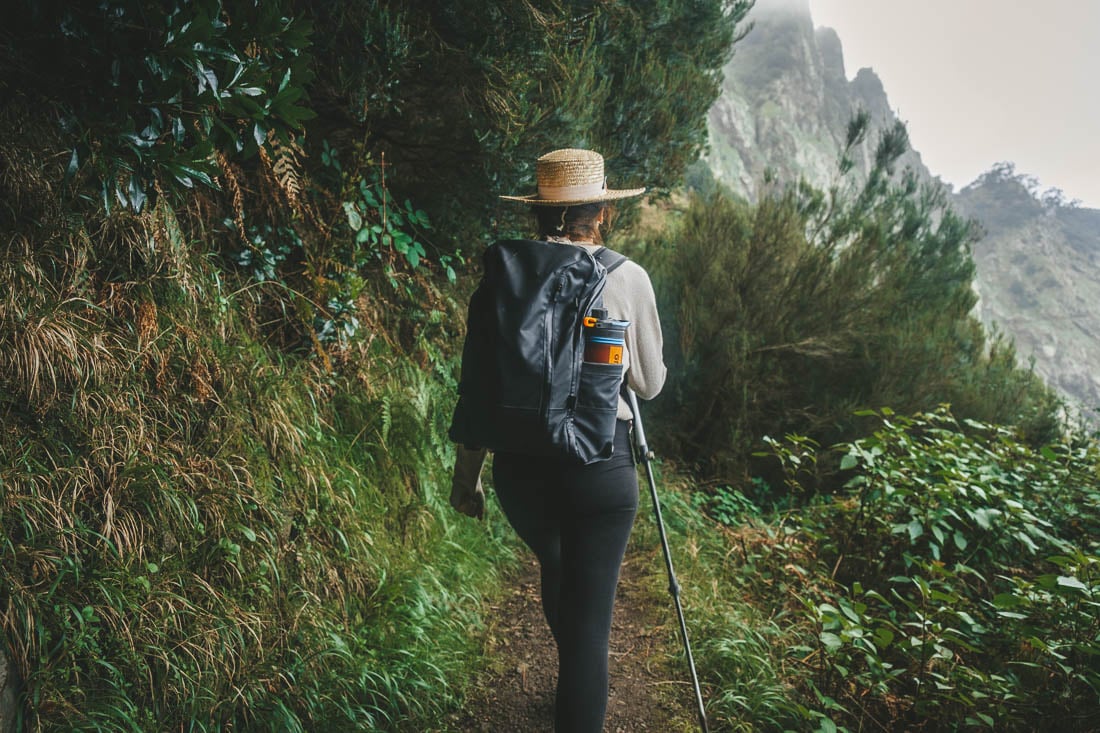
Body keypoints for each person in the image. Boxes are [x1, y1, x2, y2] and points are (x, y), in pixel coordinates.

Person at [449, 148, 666, 732]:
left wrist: (463, 480)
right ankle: (580, 693)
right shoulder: (627, 277)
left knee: (556, 565)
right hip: (598, 465)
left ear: (538, 215)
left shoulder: (506, 277)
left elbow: (480, 386)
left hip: (520, 468)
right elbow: (647, 383)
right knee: (591, 627)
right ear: (602, 213)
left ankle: (573, 679)